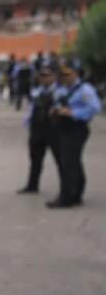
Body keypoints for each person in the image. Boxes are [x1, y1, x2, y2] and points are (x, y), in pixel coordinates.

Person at [47, 66, 102, 208]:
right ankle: (76, 194)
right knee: (73, 162)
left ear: (76, 74)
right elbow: (58, 102)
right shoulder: (63, 89)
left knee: (68, 163)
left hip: (76, 128)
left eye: (68, 75)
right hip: (64, 128)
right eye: (63, 75)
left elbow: (95, 107)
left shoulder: (85, 89)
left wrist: (72, 113)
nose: (65, 78)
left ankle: (66, 197)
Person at [17, 67, 61, 194]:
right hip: (37, 129)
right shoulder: (36, 91)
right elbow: (32, 109)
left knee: (61, 160)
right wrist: (28, 123)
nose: (44, 78)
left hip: (54, 129)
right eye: (42, 76)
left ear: (53, 77)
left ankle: (66, 189)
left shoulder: (60, 92)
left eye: (47, 76)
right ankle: (32, 185)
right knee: (35, 159)